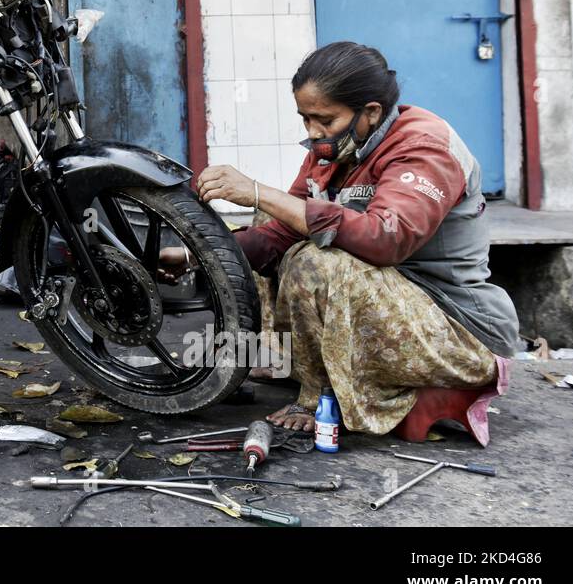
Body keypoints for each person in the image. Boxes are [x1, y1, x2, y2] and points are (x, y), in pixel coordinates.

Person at [190, 41, 517, 443]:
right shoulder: (335, 148)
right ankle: (282, 359)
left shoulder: (424, 147)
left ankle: (321, 398)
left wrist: (260, 191)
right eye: (305, 118)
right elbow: (280, 232)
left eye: (323, 119)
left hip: (456, 331)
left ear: (372, 112)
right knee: (276, 217)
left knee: (315, 257)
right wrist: (198, 254)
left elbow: (386, 239)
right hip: (390, 305)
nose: (312, 132)